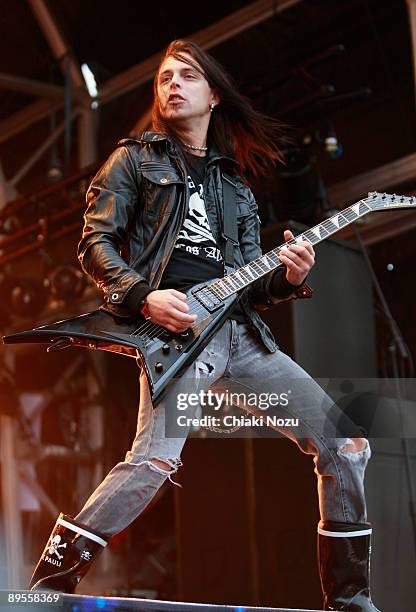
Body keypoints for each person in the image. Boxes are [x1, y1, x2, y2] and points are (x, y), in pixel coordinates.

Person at [29, 40, 380, 611]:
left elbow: (252, 281)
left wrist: (289, 276)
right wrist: (144, 297)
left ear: (213, 95)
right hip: (176, 335)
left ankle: (350, 599)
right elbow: (95, 244)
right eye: (165, 77)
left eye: (187, 76)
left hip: (241, 341)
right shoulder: (134, 159)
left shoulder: (234, 185)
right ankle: (49, 585)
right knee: (154, 460)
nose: (173, 85)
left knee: (347, 444)